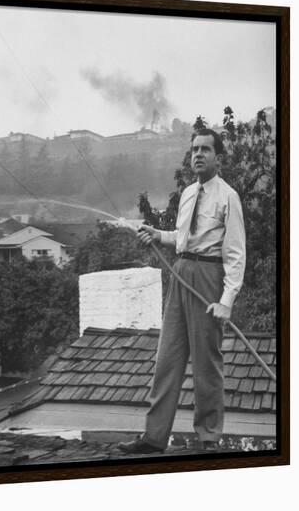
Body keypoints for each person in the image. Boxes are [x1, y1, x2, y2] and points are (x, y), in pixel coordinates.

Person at [118, 128, 246, 454]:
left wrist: (226, 301)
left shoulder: (227, 196)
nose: (198, 155)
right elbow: (181, 236)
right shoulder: (189, 193)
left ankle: (208, 439)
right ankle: (153, 437)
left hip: (208, 275)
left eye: (205, 149)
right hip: (181, 272)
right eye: (194, 150)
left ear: (218, 157)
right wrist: (156, 235)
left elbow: (235, 254)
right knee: (167, 358)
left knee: (207, 363)